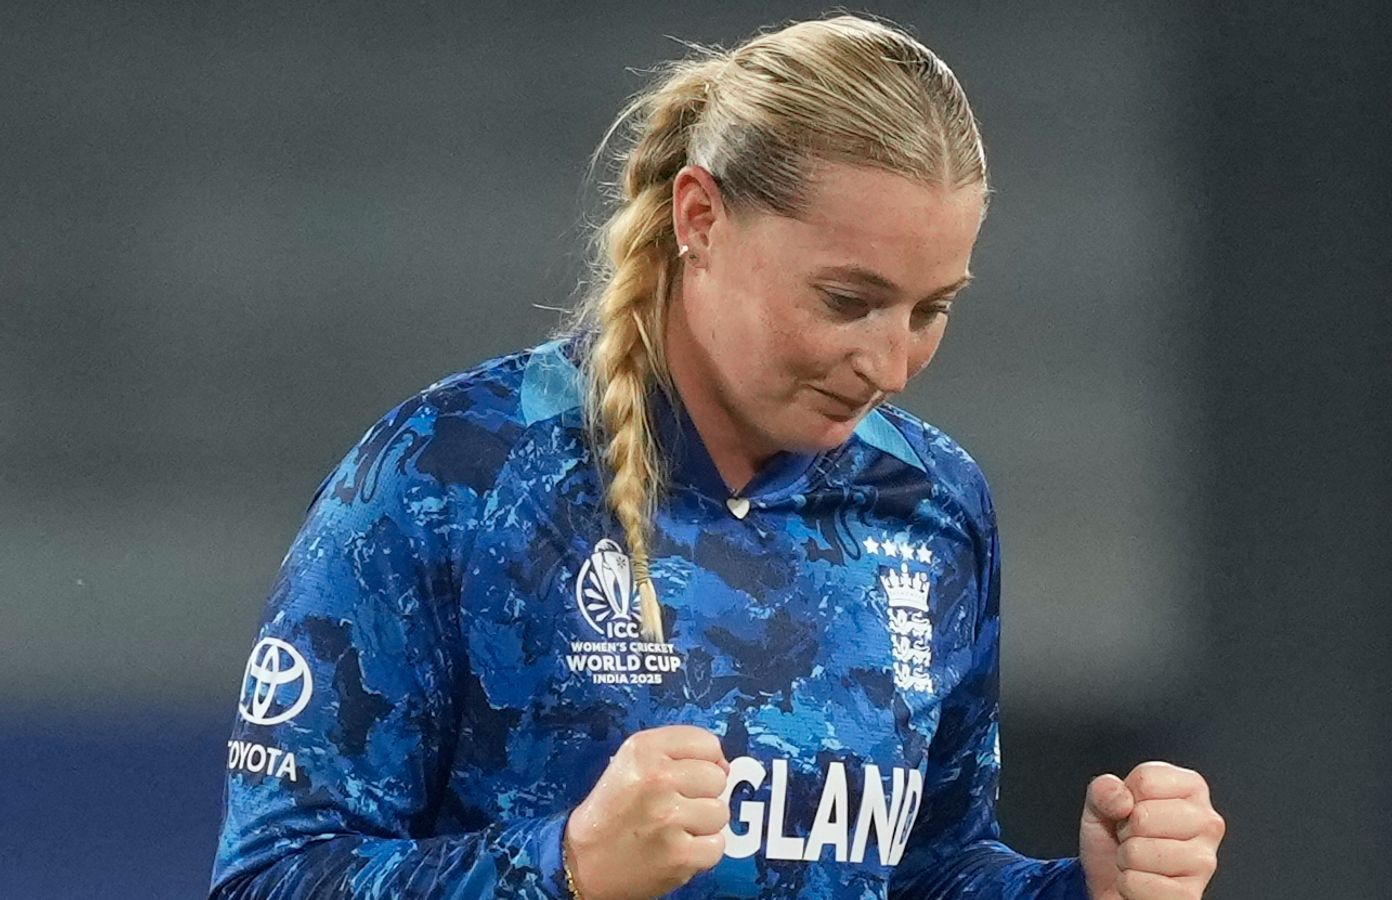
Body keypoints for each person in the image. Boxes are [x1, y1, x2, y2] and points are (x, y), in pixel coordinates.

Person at [211, 14, 1224, 899]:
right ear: (700, 217)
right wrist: (565, 866)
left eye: (931, 311)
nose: (889, 366)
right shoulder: (448, 478)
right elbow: (272, 878)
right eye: (847, 301)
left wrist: (1084, 890)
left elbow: (926, 871)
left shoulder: (931, 506)